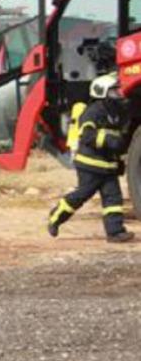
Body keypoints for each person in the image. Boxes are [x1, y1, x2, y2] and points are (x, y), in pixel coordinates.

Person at [48, 73, 135, 243]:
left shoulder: (116, 111)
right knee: (82, 194)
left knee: (113, 199)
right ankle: (56, 217)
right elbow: (87, 135)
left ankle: (115, 232)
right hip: (90, 164)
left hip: (107, 165)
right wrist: (109, 140)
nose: (118, 93)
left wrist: (118, 161)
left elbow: (118, 139)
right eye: (113, 90)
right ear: (102, 92)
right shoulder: (93, 112)